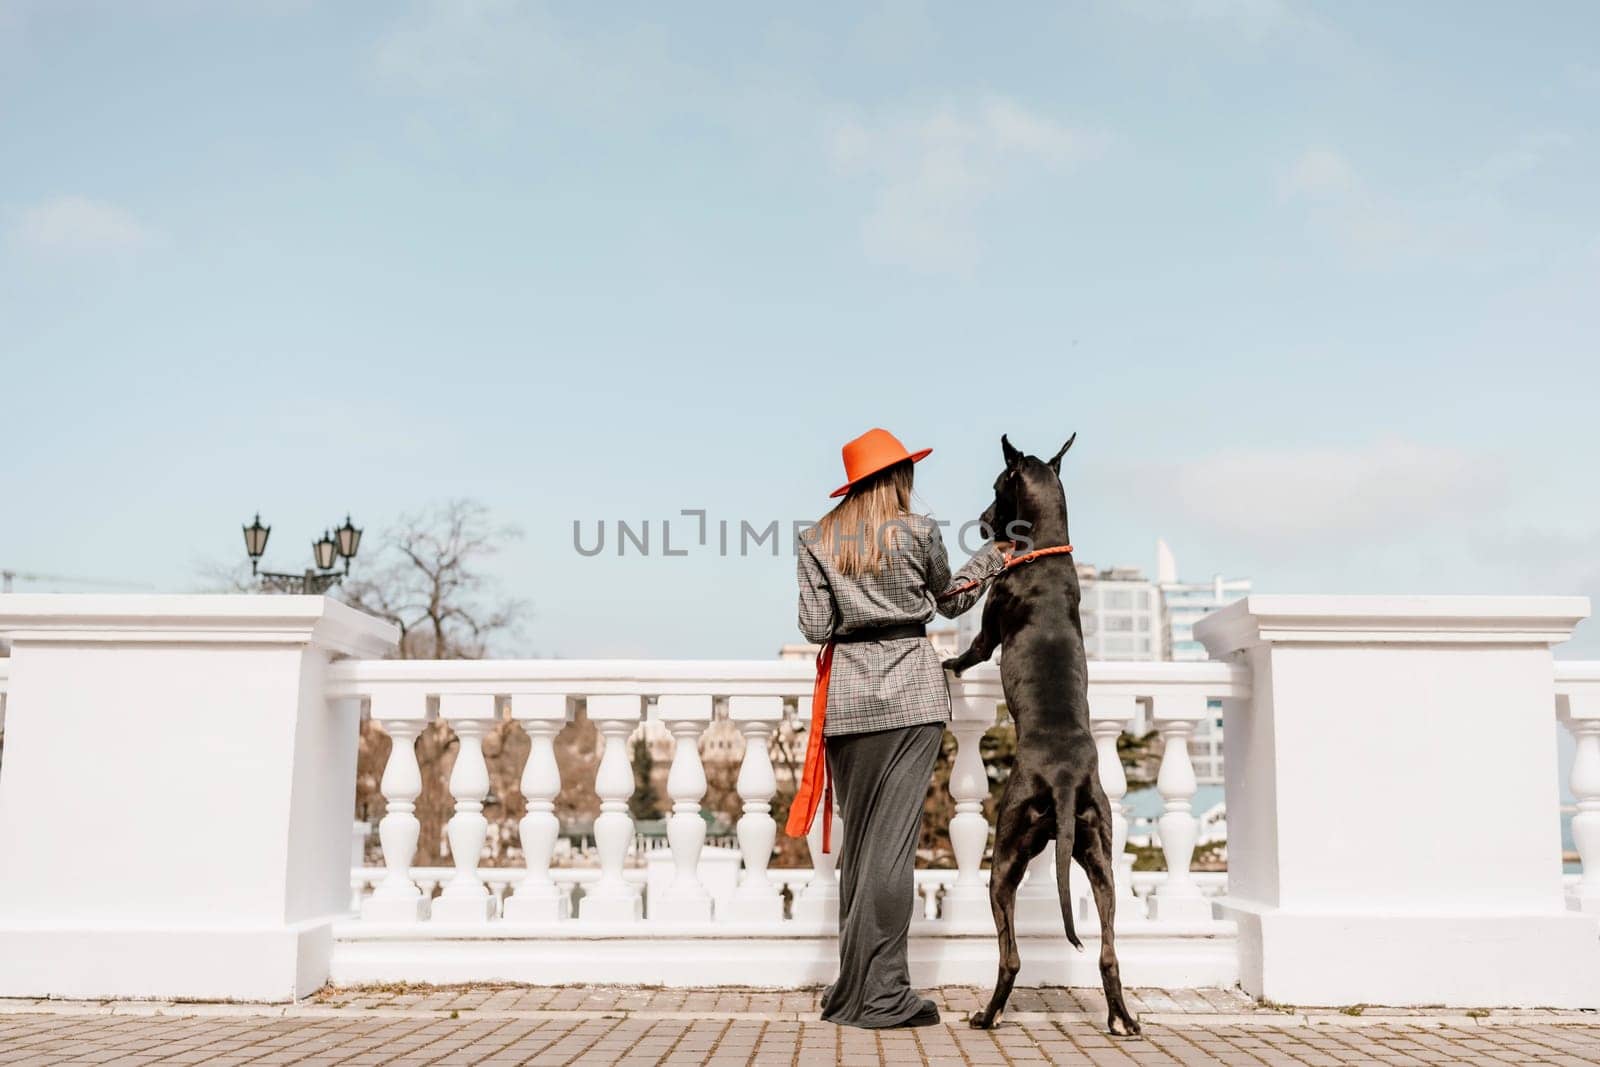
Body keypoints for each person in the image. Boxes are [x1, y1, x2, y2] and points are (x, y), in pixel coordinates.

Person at [789, 427, 1004, 1029]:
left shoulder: (815, 539)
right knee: (889, 854)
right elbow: (952, 601)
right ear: (899, 476)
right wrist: (997, 555)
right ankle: (881, 997)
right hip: (912, 699)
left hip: (849, 704)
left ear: (853, 484)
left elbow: (814, 625)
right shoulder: (919, 531)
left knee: (861, 850)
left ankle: (854, 990)